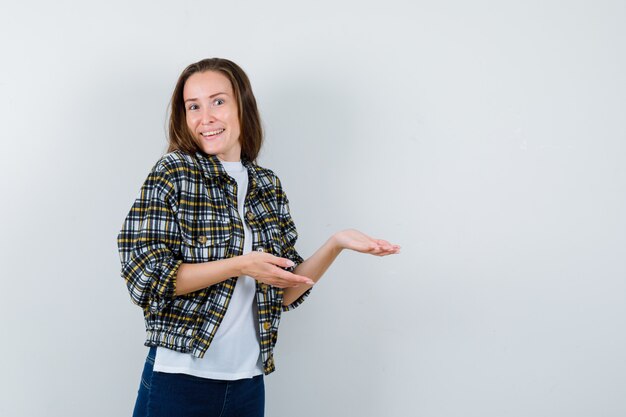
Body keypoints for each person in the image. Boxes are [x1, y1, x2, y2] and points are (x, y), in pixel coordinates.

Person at [117, 57, 400, 417]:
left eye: (218, 101)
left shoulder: (267, 184)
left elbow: (282, 293)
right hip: (180, 380)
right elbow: (146, 279)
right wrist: (241, 265)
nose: (206, 117)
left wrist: (336, 243)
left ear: (242, 107)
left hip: (247, 384)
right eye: (194, 106)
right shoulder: (174, 173)